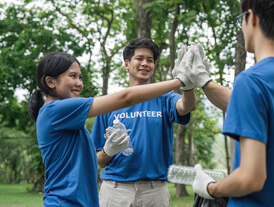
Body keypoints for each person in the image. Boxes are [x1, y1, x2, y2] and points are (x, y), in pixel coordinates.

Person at [175, 0, 274, 206]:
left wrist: (211, 187)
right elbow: (263, 109)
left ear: (251, 18)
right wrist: (206, 83)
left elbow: (251, 178)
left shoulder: (251, 81)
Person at [28, 51, 189, 207]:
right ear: (51, 82)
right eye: (72, 76)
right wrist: (179, 81)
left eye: (80, 77)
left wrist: (108, 151)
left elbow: (79, 162)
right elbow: (125, 98)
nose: (79, 83)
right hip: (64, 203)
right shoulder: (54, 110)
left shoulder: (62, 115)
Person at [91, 38, 196, 207]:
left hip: (155, 191)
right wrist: (108, 151)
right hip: (115, 190)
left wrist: (188, 86)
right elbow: (98, 160)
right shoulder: (109, 103)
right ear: (127, 64)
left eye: (150, 60)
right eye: (139, 59)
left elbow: (186, 106)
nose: (145, 64)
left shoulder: (166, 99)